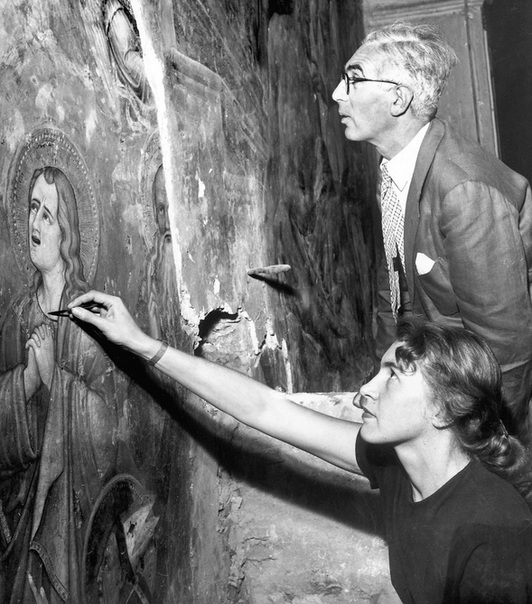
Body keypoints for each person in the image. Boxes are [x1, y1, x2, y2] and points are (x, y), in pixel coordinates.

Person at [69, 289, 532, 603]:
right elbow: (266, 409)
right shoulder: (400, 470)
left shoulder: (494, 534)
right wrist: (142, 343)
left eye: (392, 377)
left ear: (442, 410)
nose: (364, 391)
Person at [331, 22, 532, 442]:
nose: (337, 93)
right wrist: (383, 383)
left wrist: (493, 447)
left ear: (398, 98)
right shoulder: (397, 170)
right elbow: (396, 293)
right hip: (448, 381)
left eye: (352, 79)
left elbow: (507, 352)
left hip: (491, 409)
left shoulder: (463, 190)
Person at [0, 167, 127, 603]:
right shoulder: (17, 317)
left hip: (68, 516)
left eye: (47, 215)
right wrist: (29, 381)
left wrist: (56, 378)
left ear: (67, 233)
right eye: (32, 209)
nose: (34, 224)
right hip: (16, 508)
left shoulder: (88, 316)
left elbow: (110, 431)